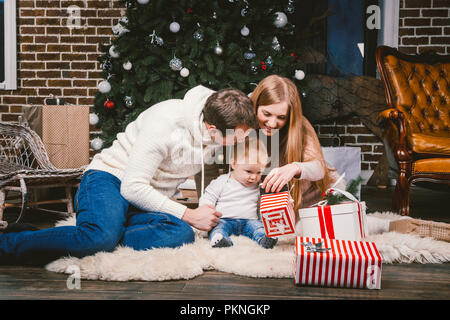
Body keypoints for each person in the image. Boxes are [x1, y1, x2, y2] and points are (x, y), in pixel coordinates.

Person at [0, 85, 257, 265]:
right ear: (212, 130)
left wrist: (206, 211)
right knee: (98, 238)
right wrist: (189, 214)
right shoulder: (166, 125)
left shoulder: (219, 114)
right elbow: (133, 187)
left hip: (144, 197)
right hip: (109, 179)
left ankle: (96, 233)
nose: (244, 139)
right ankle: (9, 245)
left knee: (181, 234)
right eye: (240, 135)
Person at [196, 75, 344, 216]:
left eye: (281, 117)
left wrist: (294, 168)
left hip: (310, 198)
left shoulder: (299, 127)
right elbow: (207, 162)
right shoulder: (238, 118)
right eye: (266, 114)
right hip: (262, 201)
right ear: (255, 106)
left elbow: (319, 169)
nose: (273, 124)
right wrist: (208, 207)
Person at [199, 137, 277, 249]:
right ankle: (220, 239)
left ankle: (264, 239)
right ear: (234, 164)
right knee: (218, 228)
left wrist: (266, 221)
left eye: (259, 172)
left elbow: (261, 206)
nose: (254, 177)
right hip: (224, 219)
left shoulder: (258, 187)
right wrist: (205, 212)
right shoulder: (222, 181)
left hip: (249, 221)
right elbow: (209, 197)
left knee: (258, 228)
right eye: (249, 171)